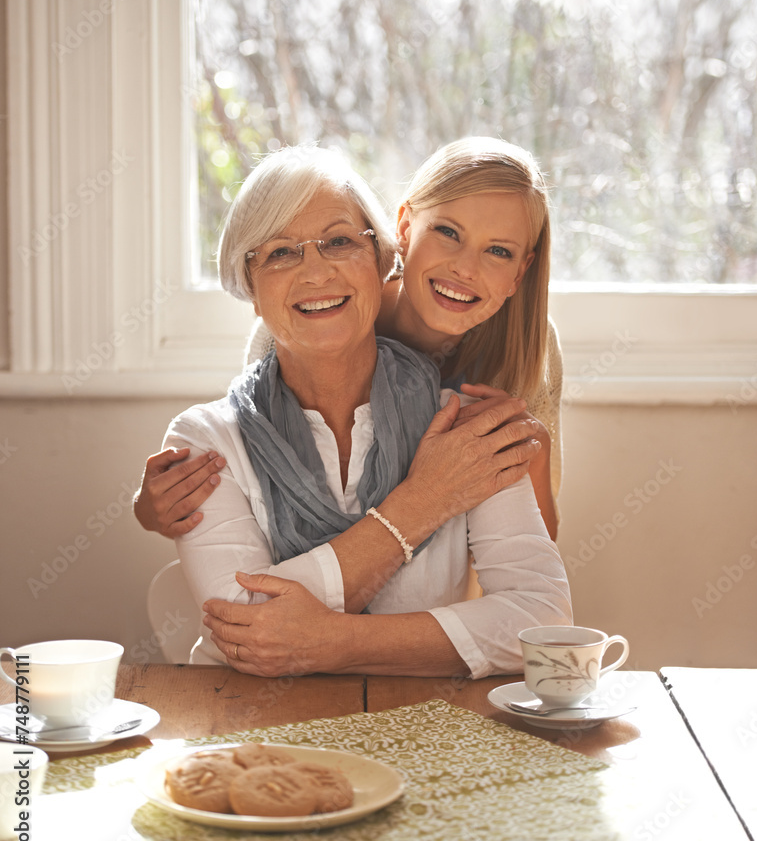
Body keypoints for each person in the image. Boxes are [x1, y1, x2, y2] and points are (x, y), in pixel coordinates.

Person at [157, 144, 571, 677]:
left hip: (423, 704)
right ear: (251, 289)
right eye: (281, 252)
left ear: (376, 262)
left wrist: (338, 643)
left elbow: (540, 613)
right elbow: (250, 630)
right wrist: (426, 500)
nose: (315, 273)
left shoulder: (480, 418)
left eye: (338, 242)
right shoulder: (212, 433)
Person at [135, 137, 564, 541]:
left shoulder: (530, 350)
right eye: (448, 232)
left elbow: (533, 556)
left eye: (498, 251)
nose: (465, 269)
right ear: (405, 226)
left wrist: (536, 454)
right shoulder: (310, 320)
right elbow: (257, 474)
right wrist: (155, 509)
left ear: (519, 273)